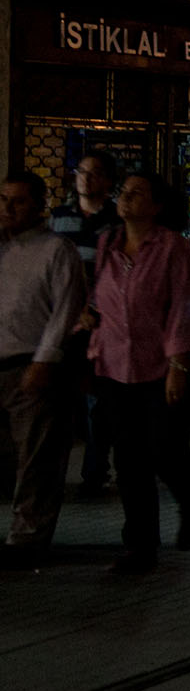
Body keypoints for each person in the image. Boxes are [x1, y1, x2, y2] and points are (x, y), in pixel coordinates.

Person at [90, 170, 190, 574]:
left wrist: (178, 364)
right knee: (128, 457)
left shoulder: (172, 247)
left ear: (157, 205)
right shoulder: (108, 242)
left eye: (137, 194)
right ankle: (141, 546)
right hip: (115, 365)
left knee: (164, 448)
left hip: (163, 366)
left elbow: (182, 306)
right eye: (123, 192)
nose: (126, 199)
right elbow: (99, 300)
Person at [0, 171, 86, 568]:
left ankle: (27, 538)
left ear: (37, 205)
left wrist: (45, 358)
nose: (8, 209)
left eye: (17, 201)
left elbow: (66, 307)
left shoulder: (56, 249)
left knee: (37, 457)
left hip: (30, 363)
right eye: (3, 200)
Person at [50, 150, 121, 495]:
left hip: (101, 323)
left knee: (97, 402)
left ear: (107, 181)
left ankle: (96, 470)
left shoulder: (116, 222)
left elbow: (114, 275)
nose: (86, 179)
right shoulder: (59, 218)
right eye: (82, 172)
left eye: (94, 174)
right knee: (61, 401)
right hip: (63, 321)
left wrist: (92, 309)